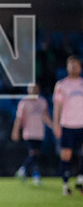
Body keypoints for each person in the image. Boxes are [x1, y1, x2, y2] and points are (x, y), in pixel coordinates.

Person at [53, 55, 83, 196]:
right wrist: (55, 124)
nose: (74, 67)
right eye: (71, 64)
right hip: (67, 125)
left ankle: (80, 178)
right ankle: (65, 185)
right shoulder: (61, 85)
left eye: (76, 64)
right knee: (66, 156)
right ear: (67, 67)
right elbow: (57, 106)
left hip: (81, 124)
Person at [11, 84, 52, 186]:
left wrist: (53, 127)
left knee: (35, 155)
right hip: (29, 133)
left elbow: (45, 116)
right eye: (31, 88)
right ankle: (36, 176)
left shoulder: (42, 101)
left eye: (35, 88)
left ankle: (23, 170)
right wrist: (15, 131)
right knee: (33, 153)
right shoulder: (24, 102)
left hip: (40, 133)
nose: (33, 90)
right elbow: (19, 119)